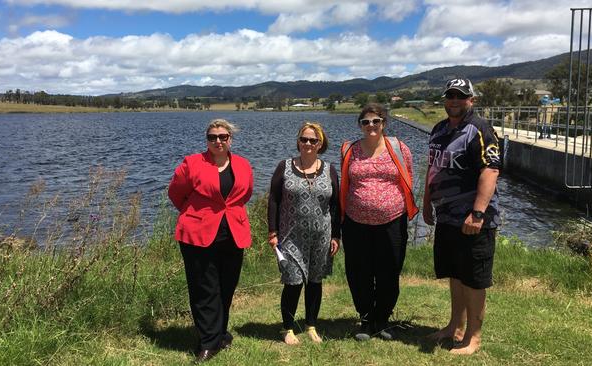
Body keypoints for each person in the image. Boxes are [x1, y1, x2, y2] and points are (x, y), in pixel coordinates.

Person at [423, 78, 501, 355]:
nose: (454, 100)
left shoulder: (479, 130)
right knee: (455, 275)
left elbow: (490, 171)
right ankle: (454, 327)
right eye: (450, 95)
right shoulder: (439, 129)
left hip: (473, 219)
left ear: (471, 100)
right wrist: (427, 202)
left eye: (461, 96)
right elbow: (432, 168)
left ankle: (473, 338)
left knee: (473, 279)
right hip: (446, 218)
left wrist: (477, 213)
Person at [168, 119, 253, 363]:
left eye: (223, 136)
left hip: (233, 234)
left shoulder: (243, 165)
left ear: (230, 139)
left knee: (226, 287)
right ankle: (207, 343)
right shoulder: (192, 163)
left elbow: (245, 194)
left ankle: (220, 334)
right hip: (197, 234)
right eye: (212, 136)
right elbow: (176, 193)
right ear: (207, 139)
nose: (218, 141)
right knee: (204, 289)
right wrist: (195, 213)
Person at [340, 103, 418, 341]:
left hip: (392, 221)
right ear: (360, 125)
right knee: (358, 271)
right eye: (366, 122)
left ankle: (382, 319)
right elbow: (345, 181)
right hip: (355, 222)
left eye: (376, 121)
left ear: (384, 123)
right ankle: (365, 319)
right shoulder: (349, 150)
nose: (371, 126)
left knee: (389, 269)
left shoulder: (399, 148)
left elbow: (408, 177)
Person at [267, 122, 341, 345]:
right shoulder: (285, 166)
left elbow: (336, 205)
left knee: (315, 281)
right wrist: (273, 232)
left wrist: (336, 236)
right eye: (304, 139)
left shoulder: (329, 169)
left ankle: (311, 325)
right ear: (298, 141)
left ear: (321, 144)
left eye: (313, 140)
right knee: (293, 281)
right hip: (291, 236)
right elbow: (273, 200)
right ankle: (287, 328)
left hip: (321, 236)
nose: (308, 144)